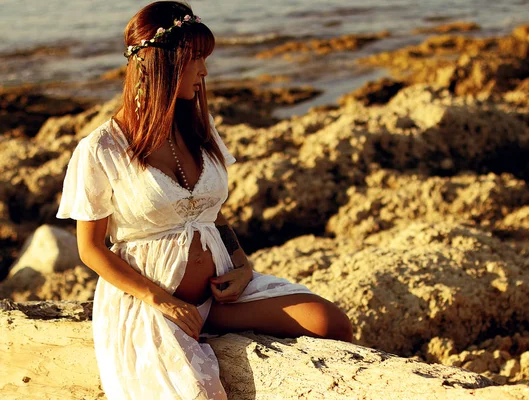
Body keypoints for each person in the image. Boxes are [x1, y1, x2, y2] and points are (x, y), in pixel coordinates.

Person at [55, 1, 353, 399]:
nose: (204, 71)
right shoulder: (100, 149)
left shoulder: (198, 126)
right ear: (159, 62)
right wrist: (161, 300)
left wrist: (243, 265)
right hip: (154, 302)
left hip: (219, 296)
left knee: (329, 322)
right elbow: (90, 250)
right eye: (195, 58)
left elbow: (212, 213)